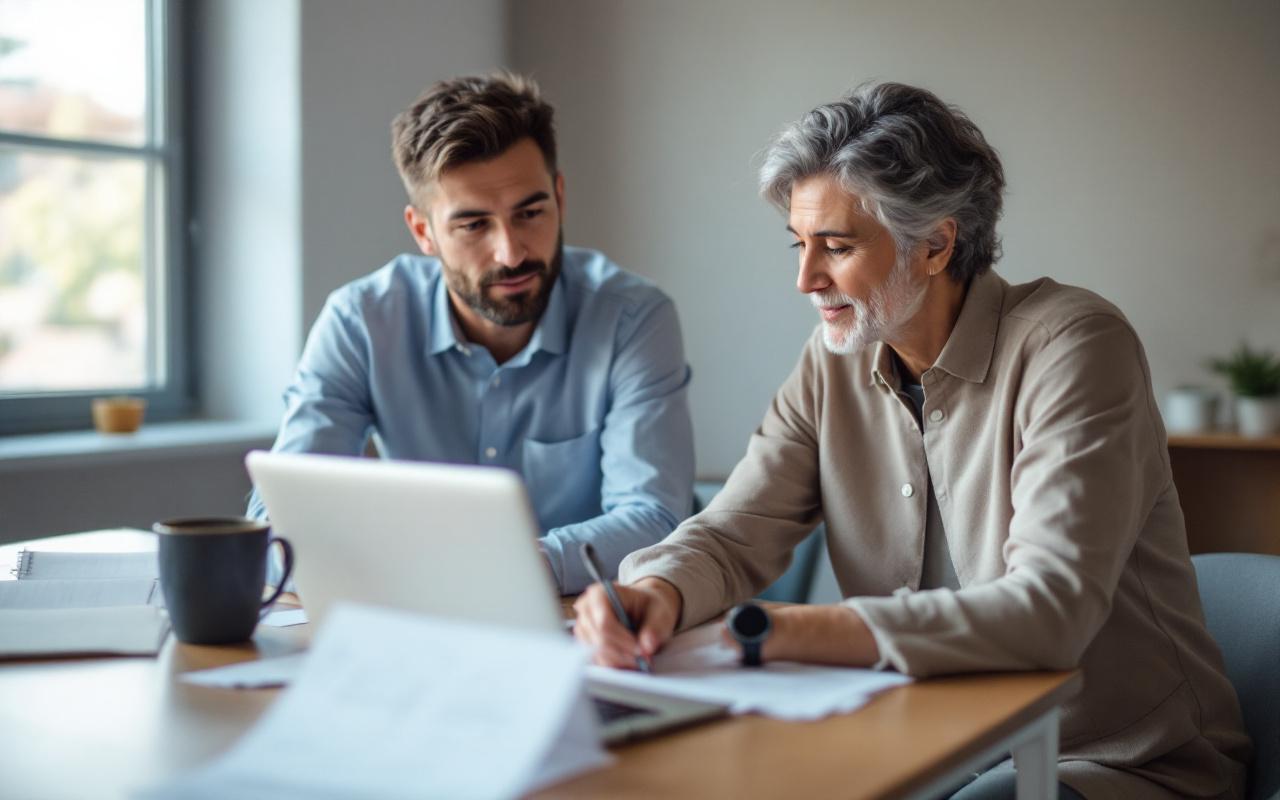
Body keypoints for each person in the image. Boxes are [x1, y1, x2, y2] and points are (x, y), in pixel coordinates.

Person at [574, 82, 1250, 798]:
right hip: (926, 744)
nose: (805, 278)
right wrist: (657, 591)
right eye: (800, 244)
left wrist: (771, 631)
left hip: (1113, 761)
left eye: (835, 246)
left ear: (934, 244)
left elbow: (1048, 612)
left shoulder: (1074, 345)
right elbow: (733, 532)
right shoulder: (829, 363)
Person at [249, 73, 694, 594]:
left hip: (585, 623)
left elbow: (654, 519)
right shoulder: (362, 322)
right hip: (418, 614)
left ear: (560, 196)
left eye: (530, 213)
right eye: (473, 225)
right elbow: (279, 515)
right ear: (423, 232)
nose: (511, 253)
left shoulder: (632, 319)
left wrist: (501, 569)